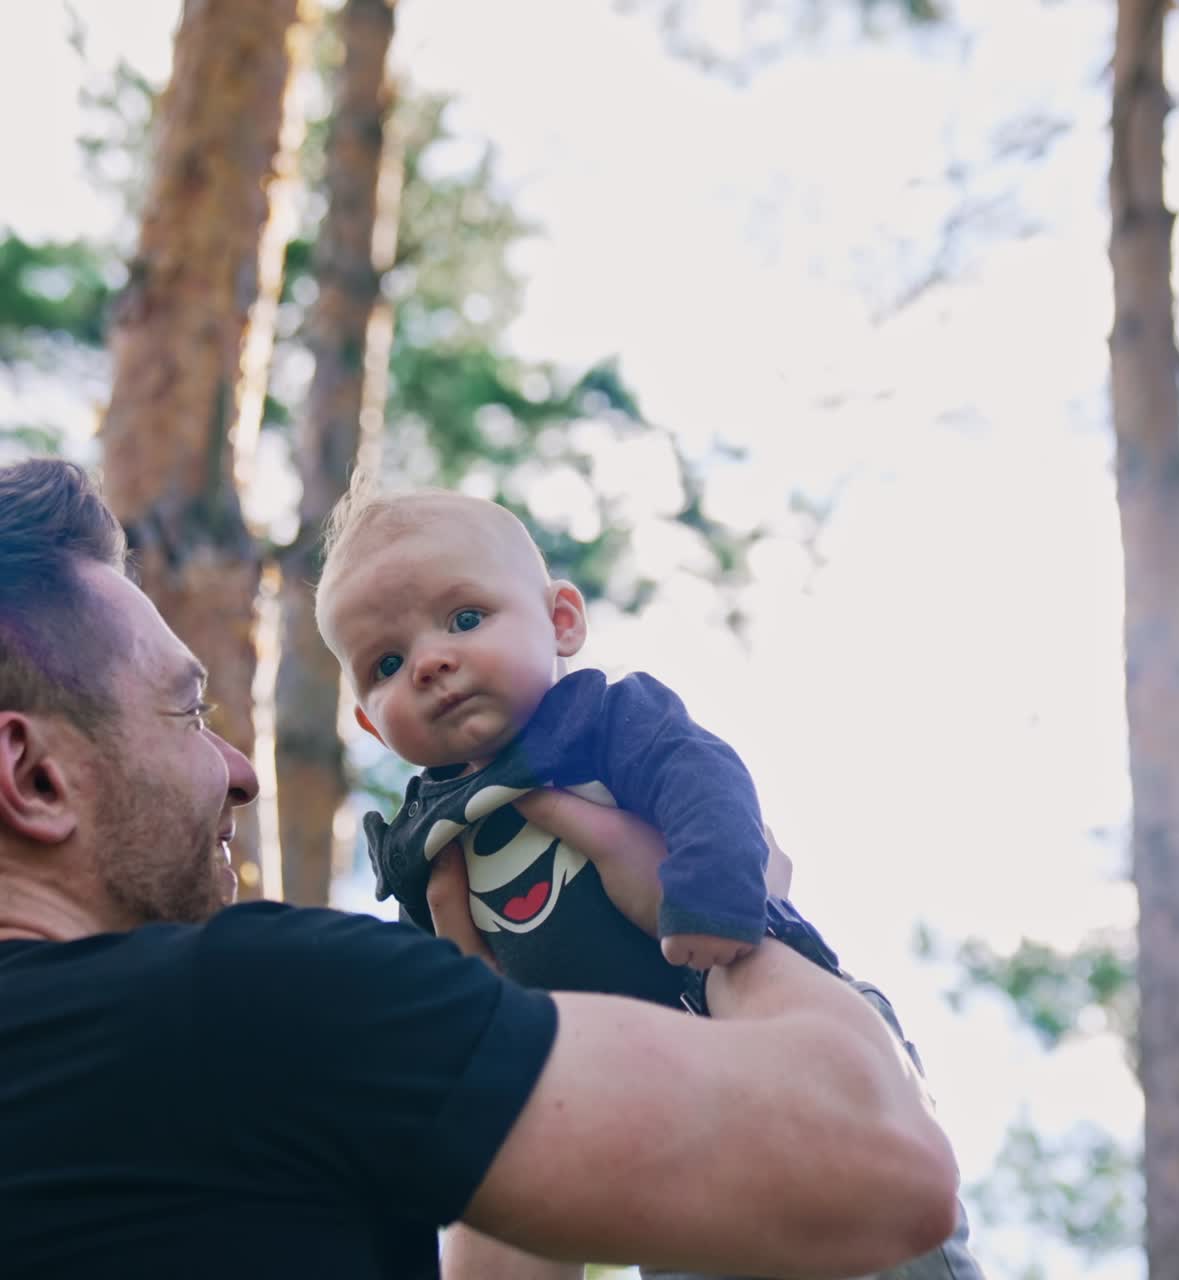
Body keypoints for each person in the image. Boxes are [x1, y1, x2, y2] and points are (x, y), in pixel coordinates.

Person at [0, 455, 961, 1280]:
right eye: (190, 714)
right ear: (35, 776)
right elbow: (888, 1164)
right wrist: (747, 933)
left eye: (464, 619)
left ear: (562, 620)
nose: (242, 773)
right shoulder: (252, 1001)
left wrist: (502, 1021)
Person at [315, 479, 985, 1280]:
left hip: (745, 1010)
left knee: (879, 1249)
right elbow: (435, 983)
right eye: (386, 664)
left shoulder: (600, 722)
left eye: (465, 619)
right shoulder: (427, 841)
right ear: (365, 718)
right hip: (641, 1103)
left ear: (561, 621)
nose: (430, 662)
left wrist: (711, 901)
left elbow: (703, 780)